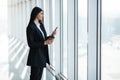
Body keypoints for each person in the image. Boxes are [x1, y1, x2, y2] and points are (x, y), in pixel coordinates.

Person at [26, 7, 56, 80]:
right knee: (35, 77)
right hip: (36, 58)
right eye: (41, 13)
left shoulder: (41, 25)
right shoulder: (30, 27)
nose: (43, 15)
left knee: (38, 78)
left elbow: (42, 39)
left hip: (42, 56)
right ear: (36, 14)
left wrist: (51, 36)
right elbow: (31, 44)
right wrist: (45, 42)